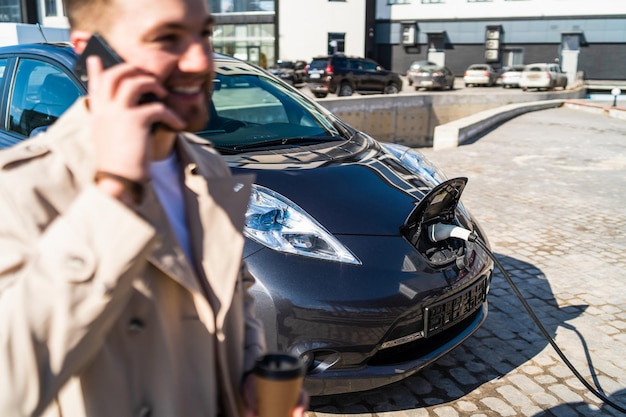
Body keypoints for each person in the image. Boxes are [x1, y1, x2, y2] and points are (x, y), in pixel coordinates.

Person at [0, 0, 307, 416]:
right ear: (91, 51)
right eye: (167, 39)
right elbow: (10, 387)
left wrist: (248, 372)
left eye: (204, 34)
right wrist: (114, 191)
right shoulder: (20, 187)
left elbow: (236, 294)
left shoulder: (206, 162)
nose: (201, 60)